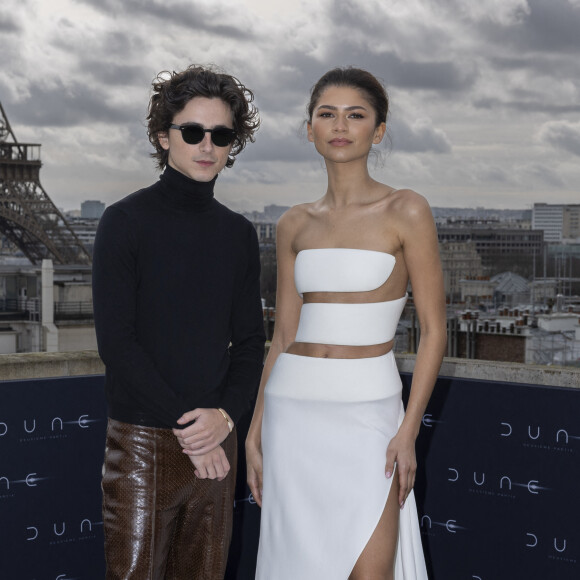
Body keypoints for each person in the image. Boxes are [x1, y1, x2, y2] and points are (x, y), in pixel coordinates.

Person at [246, 67, 446, 579]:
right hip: (292, 414)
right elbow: (284, 335)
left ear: (377, 131)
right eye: (326, 114)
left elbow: (434, 331)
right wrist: (255, 429)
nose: (340, 125)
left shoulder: (408, 209)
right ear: (309, 127)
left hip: (367, 414)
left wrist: (409, 431)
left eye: (355, 115)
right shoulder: (294, 222)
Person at [92, 64, 265, 579]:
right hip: (146, 443)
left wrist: (225, 420)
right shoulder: (124, 222)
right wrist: (194, 430)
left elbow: (252, 343)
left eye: (222, 134)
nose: (207, 145)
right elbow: (118, 346)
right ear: (164, 136)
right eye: (193, 131)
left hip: (218, 442)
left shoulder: (238, 234)